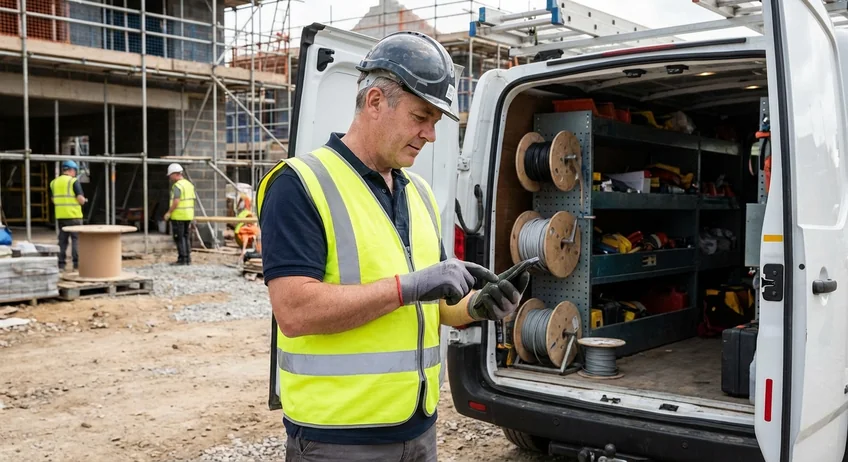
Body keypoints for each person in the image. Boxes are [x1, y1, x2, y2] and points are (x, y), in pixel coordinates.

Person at [256, 31, 530, 462]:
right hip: (338, 440)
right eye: (421, 117)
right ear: (375, 102)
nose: (430, 135)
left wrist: (477, 307)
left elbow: (436, 304)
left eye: (435, 123)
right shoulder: (299, 184)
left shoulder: (417, 192)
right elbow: (294, 310)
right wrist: (409, 287)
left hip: (418, 429)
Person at [50, 160, 87, 271]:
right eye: (75, 171)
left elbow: (53, 199)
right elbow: (80, 199)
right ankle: (76, 265)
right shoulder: (73, 181)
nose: (75, 173)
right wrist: (84, 201)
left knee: (62, 240)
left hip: (61, 216)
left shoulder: (54, 182)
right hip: (74, 216)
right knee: (76, 240)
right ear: (71, 170)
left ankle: (61, 264)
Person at [163, 163, 195, 266]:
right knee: (185, 237)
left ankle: (182, 259)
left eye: (170, 175)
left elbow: (176, 201)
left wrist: (169, 212)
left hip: (179, 215)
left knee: (179, 237)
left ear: (175, 174)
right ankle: (187, 259)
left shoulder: (177, 186)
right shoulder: (189, 184)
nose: (170, 177)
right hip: (188, 215)